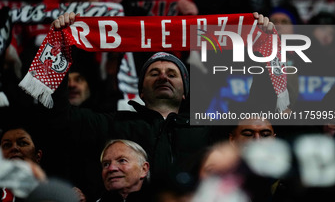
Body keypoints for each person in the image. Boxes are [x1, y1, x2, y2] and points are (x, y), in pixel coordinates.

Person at [32, 11, 276, 201]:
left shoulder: (210, 128)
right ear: (141, 90)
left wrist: (264, 43)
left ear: (185, 93)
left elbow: (261, 104)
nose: (163, 76)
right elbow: (58, 116)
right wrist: (60, 46)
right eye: (154, 73)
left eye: (172, 73)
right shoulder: (113, 124)